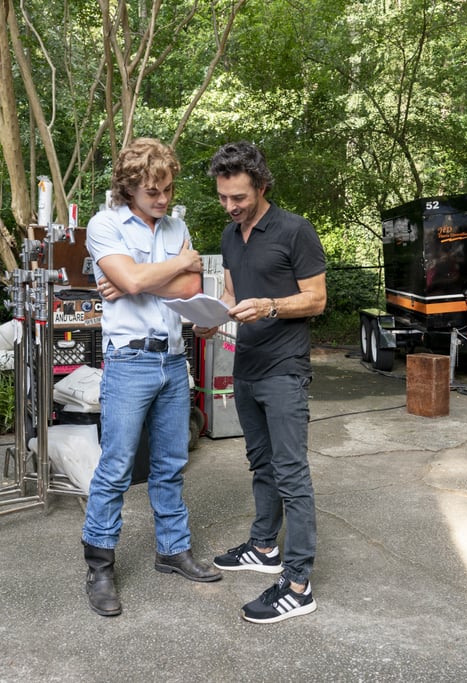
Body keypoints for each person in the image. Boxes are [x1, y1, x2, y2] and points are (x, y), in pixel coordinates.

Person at [80, 137, 221, 618]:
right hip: (129, 362)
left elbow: (186, 287)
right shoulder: (104, 225)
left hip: (173, 359)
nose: (162, 200)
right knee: (117, 467)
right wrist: (167, 267)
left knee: (170, 463)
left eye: (166, 189)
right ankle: (99, 566)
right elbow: (143, 282)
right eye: (152, 192)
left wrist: (137, 277)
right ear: (128, 188)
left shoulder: (175, 224)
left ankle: (172, 550)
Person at [199, 141, 327, 623]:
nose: (231, 207)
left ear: (262, 186)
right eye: (224, 198)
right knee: (261, 463)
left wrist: (272, 306)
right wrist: (214, 316)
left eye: (239, 198)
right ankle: (263, 547)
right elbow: (235, 292)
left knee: (292, 472)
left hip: (285, 367)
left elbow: (315, 299)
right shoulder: (231, 235)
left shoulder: (295, 230)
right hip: (246, 362)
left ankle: (298, 583)